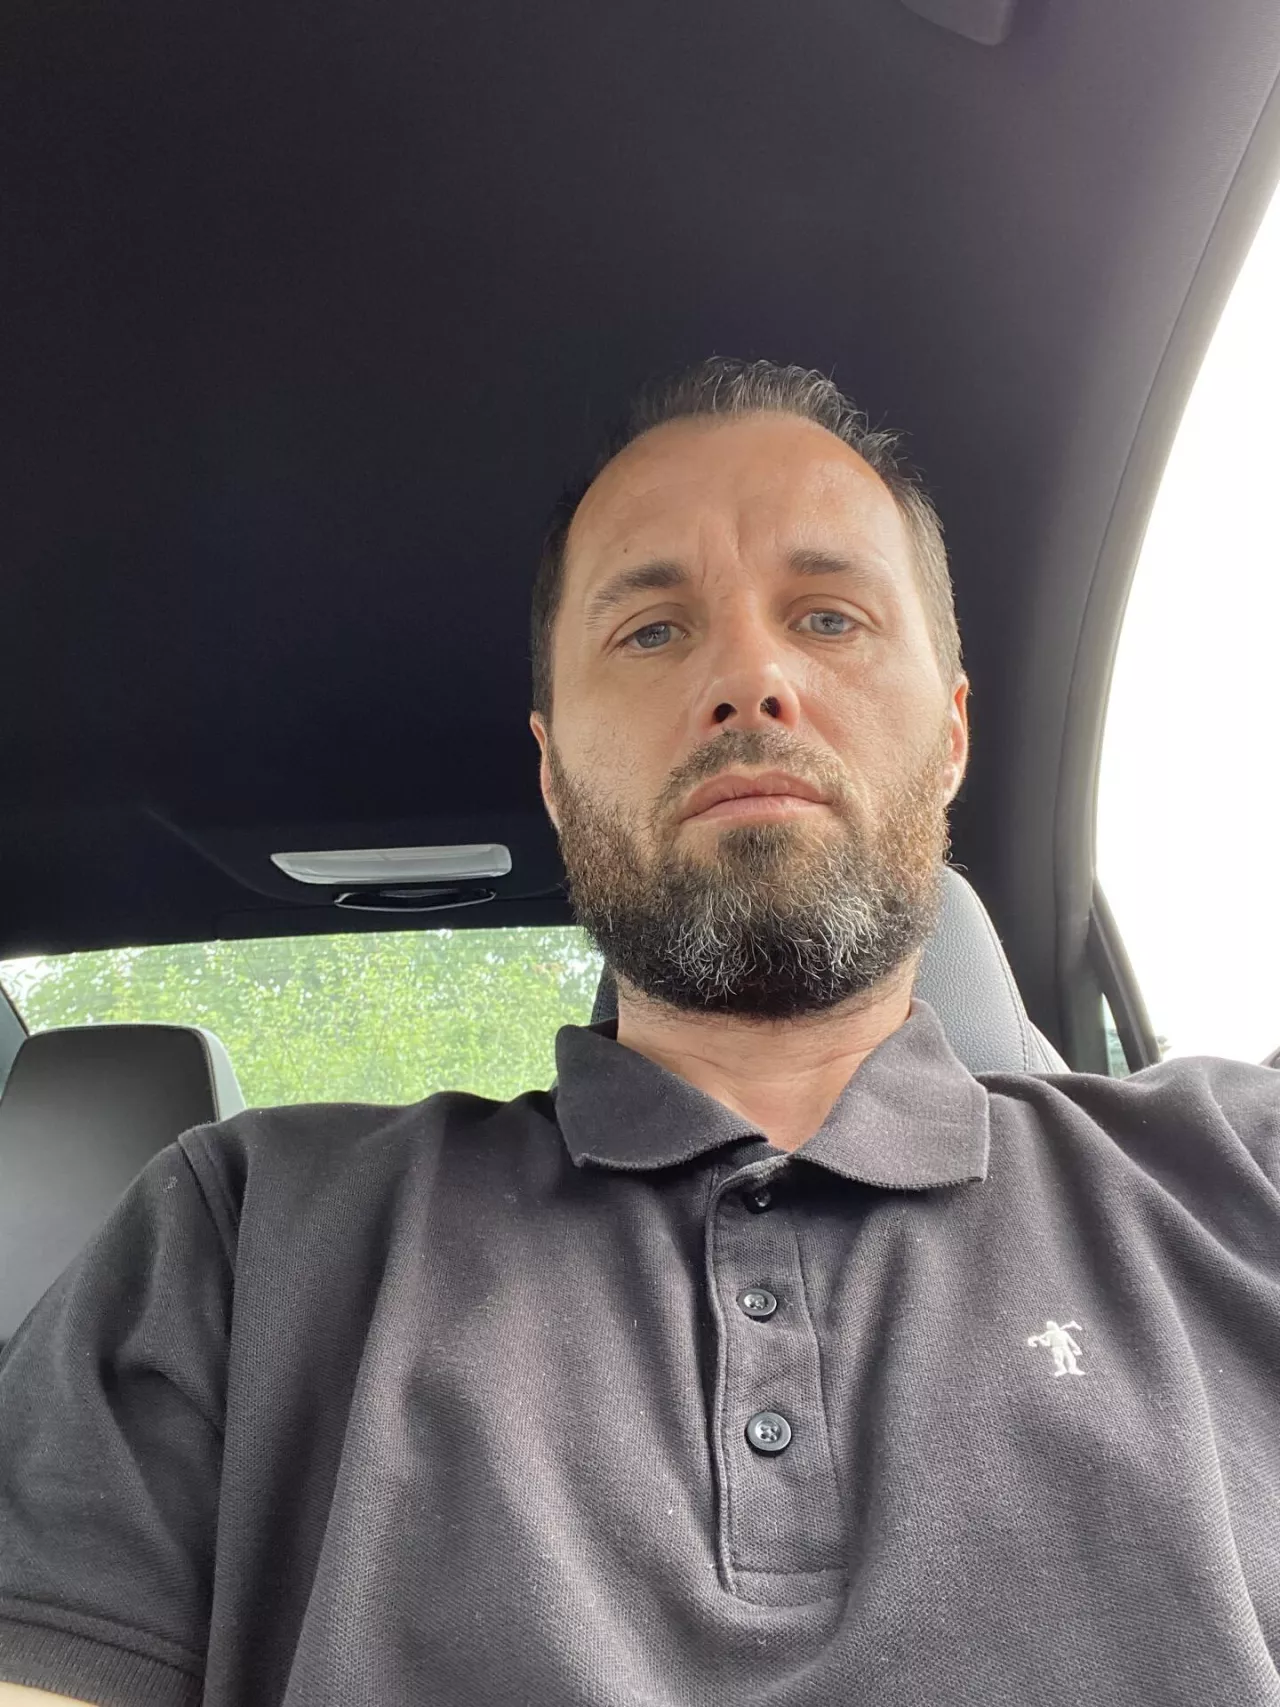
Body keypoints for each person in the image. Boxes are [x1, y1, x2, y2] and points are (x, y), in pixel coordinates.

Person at [1, 356, 1278, 1707]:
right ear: (553, 772)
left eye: (830, 616)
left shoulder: (1240, 1176)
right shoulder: (236, 1240)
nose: (752, 677)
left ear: (952, 734)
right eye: (655, 631)